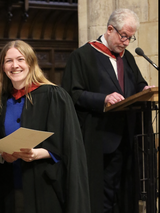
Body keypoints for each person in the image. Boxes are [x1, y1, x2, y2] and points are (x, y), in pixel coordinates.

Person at [61, 8, 155, 213]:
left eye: (131, 38)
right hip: (98, 137)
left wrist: (144, 89)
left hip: (127, 137)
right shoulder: (83, 55)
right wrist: (103, 99)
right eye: (124, 36)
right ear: (110, 29)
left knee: (122, 194)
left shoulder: (127, 58)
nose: (127, 42)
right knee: (101, 197)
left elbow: (138, 84)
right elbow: (73, 93)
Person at [0, 40, 90, 213]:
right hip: (10, 188)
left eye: (20, 59)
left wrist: (37, 153)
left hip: (45, 186)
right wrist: (0, 154)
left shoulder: (54, 96)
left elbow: (69, 145)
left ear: (30, 62)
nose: (15, 65)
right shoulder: (0, 103)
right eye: (9, 61)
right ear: (3, 67)